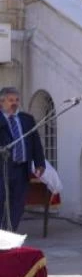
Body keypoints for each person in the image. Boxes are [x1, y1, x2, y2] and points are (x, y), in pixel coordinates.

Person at [0, 87, 46, 231]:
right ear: (1, 102)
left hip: (21, 169)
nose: (14, 103)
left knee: (18, 204)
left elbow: (35, 142)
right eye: (10, 100)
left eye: (17, 100)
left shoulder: (27, 119)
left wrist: (39, 163)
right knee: (2, 203)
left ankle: (11, 234)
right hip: (3, 169)